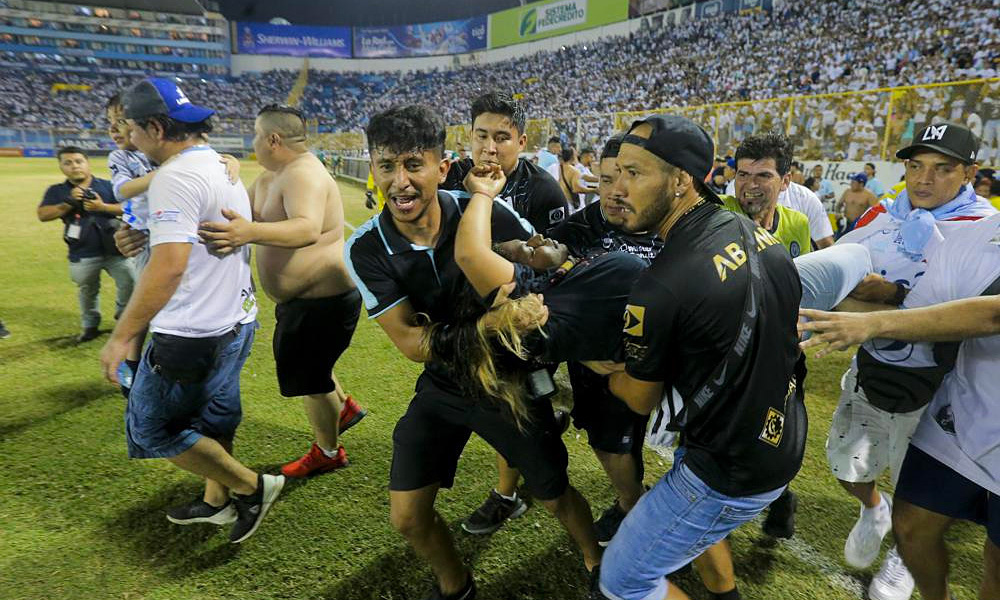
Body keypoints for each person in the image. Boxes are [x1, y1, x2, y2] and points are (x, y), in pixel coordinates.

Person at [345, 105, 602, 600]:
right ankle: (456, 586)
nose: (400, 182)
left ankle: (595, 559)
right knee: (407, 515)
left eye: (413, 165)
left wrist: (545, 260)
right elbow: (413, 345)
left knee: (554, 495)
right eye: (386, 166)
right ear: (372, 168)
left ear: (442, 168)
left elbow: (543, 259)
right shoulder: (365, 248)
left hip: (508, 385)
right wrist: (492, 320)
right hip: (444, 384)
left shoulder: (480, 209)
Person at [593, 115, 805, 600]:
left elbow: (640, 401)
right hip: (781, 435)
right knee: (698, 536)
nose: (618, 188)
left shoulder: (661, 285)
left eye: (635, 174)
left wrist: (601, 368)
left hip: (726, 468)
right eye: (615, 173)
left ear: (681, 181)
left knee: (622, 580)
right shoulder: (756, 233)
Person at [98, 77, 283, 543]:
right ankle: (217, 503)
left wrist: (122, 336)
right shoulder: (220, 167)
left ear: (157, 128)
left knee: (151, 428)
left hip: (193, 331)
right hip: (236, 318)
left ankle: (252, 487)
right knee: (214, 419)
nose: (131, 139)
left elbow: (169, 267)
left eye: (134, 129)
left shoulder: (175, 176)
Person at [461, 133, 663, 541]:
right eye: (604, 180)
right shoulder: (584, 224)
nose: (613, 191)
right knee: (611, 446)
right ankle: (629, 506)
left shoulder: (668, 227)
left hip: (655, 360)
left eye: (626, 178)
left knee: (682, 448)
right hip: (595, 366)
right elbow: (542, 283)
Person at [825, 121, 995, 600]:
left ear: (969, 173)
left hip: (942, 385)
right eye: (915, 166)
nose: (924, 179)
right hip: (872, 366)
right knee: (845, 467)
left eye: (942, 169)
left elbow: (974, 316)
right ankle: (872, 509)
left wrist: (893, 294)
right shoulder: (882, 213)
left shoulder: (985, 228)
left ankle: (902, 553)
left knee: (917, 493)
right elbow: (840, 277)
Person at [198, 103, 366, 479]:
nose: (252, 144)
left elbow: (306, 228)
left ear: (273, 139)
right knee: (314, 366)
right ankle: (344, 409)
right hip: (306, 302)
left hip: (323, 301)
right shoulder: (276, 174)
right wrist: (232, 176)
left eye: (255, 137)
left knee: (311, 378)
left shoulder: (303, 174)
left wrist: (250, 233)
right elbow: (243, 210)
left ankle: (329, 451)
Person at [38, 146, 135, 343]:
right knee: (87, 290)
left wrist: (103, 207)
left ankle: (123, 318)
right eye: (68, 163)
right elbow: (43, 215)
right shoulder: (57, 191)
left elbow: (131, 209)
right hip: (82, 252)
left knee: (129, 283)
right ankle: (90, 326)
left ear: (87, 163)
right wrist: (68, 203)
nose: (74, 166)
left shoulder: (108, 186)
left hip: (116, 250)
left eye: (78, 161)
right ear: (61, 167)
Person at [442, 92, 568, 235]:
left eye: (501, 138)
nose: (489, 149)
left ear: (521, 143)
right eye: (482, 136)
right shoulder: (449, 179)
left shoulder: (543, 190)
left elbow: (556, 253)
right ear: (471, 137)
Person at [723, 133, 813, 259]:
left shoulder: (798, 223)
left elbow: (801, 276)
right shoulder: (717, 209)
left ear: (785, 181)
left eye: (763, 176)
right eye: (743, 175)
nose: (751, 184)